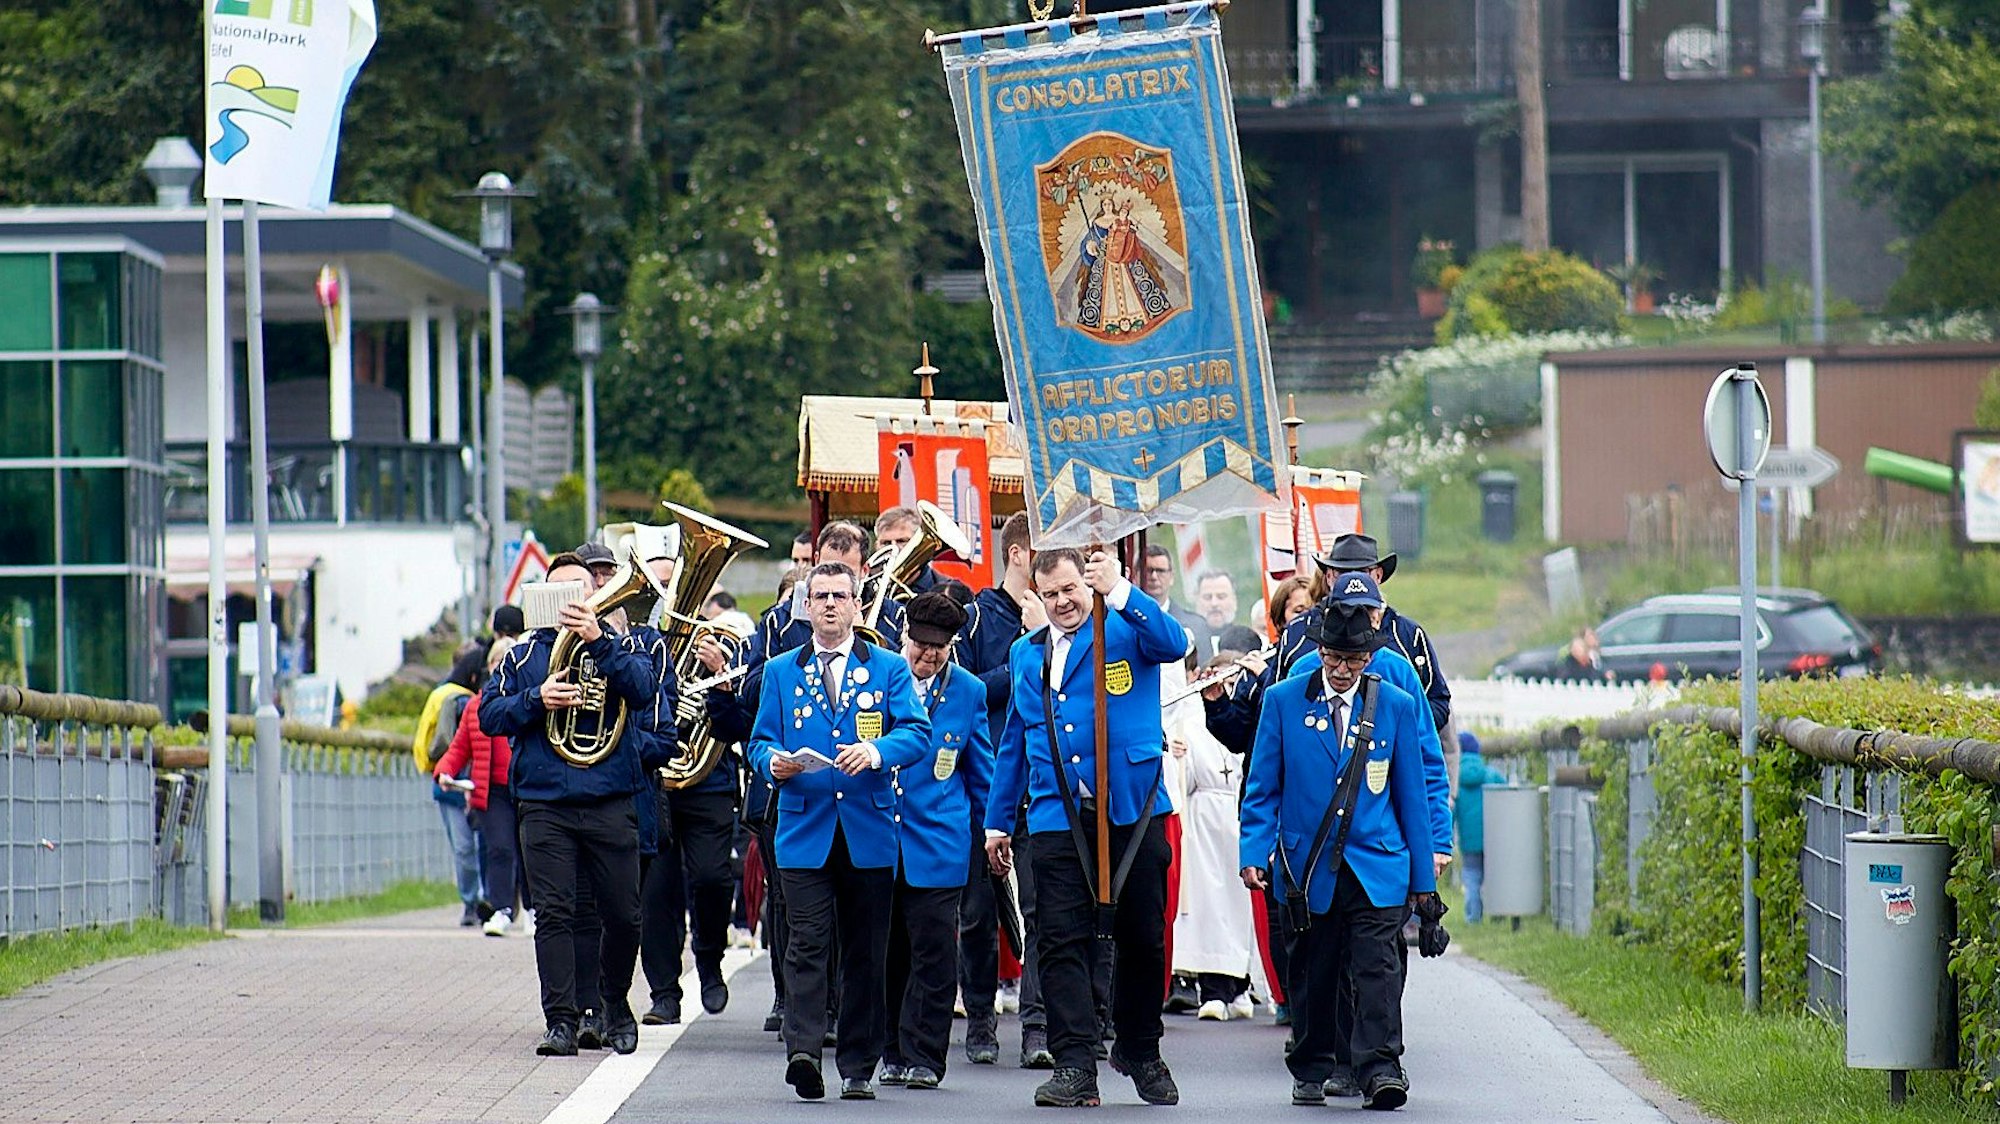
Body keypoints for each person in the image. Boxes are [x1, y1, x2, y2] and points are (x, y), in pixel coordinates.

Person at [985, 547, 1188, 1108]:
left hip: (1133, 808)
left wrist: (1119, 590)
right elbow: (1016, 741)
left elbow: (1173, 643)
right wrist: (998, 822)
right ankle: (1074, 1062)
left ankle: (1140, 1048)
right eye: (1050, 594)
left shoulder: (1123, 627)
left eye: (1070, 589)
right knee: (1059, 939)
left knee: (1143, 936)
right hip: (1057, 815)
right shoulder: (1027, 653)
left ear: (1088, 584)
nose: (1062, 602)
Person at [1239, 599, 1437, 1111]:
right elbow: (1263, 787)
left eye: (1352, 660)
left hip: (1377, 863)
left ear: (1368, 658)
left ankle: (1381, 1068)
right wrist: (1254, 852)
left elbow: (1412, 798)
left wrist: (1424, 882)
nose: (1341, 669)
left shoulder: (1395, 705)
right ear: (1320, 652)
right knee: (1313, 970)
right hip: (1306, 866)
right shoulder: (1283, 701)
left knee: (1377, 970)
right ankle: (1311, 1065)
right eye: (1332, 657)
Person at [747, 561, 933, 1102]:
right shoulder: (780, 670)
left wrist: (875, 751)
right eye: (821, 595)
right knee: (806, 943)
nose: (830, 604)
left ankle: (857, 1064)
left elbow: (917, 733)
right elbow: (759, 741)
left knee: (865, 951)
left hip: (867, 830)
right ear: (806, 607)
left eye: (840, 596)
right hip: (804, 828)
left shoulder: (888, 667)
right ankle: (803, 1051)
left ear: (856, 605)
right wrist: (773, 762)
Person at [480, 551, 677, 1057]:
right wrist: (536, 699)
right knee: (554, 914)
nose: (570, 600)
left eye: (580, 590)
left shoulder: (621, 645)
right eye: (560, 590)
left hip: (610, 797)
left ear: (596, 596)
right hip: (545, 802)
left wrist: (598, 641)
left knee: (624, 914)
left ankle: (614, 1002)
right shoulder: (523, 656)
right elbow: (489, 715)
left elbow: (644, 689)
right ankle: (561, 1021)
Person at [881, 591, 995, 1090]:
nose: (927, 657)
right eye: (920, 645)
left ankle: (926, 1055)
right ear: (904, 637)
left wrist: (994, 830)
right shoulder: (880, 676)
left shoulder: (969, 691)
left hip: (940, 841)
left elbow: (981, 769)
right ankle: (891, 1050)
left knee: (934, 951)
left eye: (939, 649)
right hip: (881, 838)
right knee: (888, 952)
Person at [628, 547, 741, 1026]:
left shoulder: (720, 643)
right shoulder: (632, 646)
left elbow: (736, 723)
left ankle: (710, 960)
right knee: (656, 894)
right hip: (655, 783)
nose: (668, 596)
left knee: (714, 878)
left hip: (708, 782)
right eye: (658, 588)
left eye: (673, 585)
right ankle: (664, 993)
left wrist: (719, 677)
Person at [954, 511, 1040, 1065]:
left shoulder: (1060, 616)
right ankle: (981, 1021)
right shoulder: (976, 617)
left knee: (1042, 911)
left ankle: (1038, 1028)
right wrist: (1027, 649)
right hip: (984, 786)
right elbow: (967, 692)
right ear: (1017, 554)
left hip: (1042, 783)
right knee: (978, 914)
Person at [1171, 652, 1258, 1021]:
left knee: (1239, 907)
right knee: (1208, 906)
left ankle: (1240, 985)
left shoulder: (1251, 715)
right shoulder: (1192, 722)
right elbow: (1185, 782)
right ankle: (1211, 989)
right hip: (1205, 822)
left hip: (1239, 816)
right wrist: (1178, 758)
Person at [434, 639, 522, 937]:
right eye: (497, 662)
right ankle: (502, 909)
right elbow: (460, 747)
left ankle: (533, 909)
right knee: (500, 849)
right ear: (490, 667)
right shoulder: (476, 706)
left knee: (529, 852)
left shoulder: (531, 700)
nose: (502, 667)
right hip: (493, 789)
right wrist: (445, 771)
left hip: (526, 786)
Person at [415, 643, 490, 926]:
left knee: (464, 848)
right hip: (470, 782)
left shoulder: (441, 695)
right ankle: (481, 902)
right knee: (479, 847)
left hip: (448, 783)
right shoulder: (465, 702)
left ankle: (473, 903)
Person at [1454, 731, 1508, 923]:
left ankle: (1473, 917)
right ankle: (1498, 913)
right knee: (1495, 876)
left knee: (1472, 877)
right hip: (1494, 837)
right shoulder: (1492, 775)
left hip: (1469, 841)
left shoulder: (1455, 780)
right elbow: (1509, 800)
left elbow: (1450, 812)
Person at [1140, 543, 1206, 655]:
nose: (1154, 577)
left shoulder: (1196, 624)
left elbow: (1205, 662)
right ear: (1136, 574)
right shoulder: (1122, 621)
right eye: (1148, 570)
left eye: (1160, 571)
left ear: (1171, 577)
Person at [1193, 570, 1263, 659]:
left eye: (1221, 597)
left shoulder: (1249, 640)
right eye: (1207, 597)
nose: (1214, 603)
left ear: (1234, 600)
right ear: (1197, 601)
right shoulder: (1188, 644)